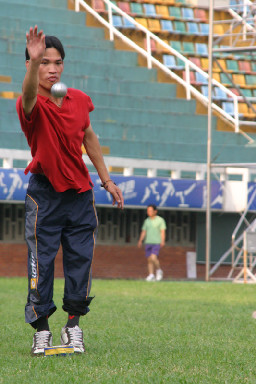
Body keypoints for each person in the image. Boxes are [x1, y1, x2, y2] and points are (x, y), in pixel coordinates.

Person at [16, 26, 124, 356]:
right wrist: (33, 63)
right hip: (44, 195)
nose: (52, 68)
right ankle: (42, 330)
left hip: (79, 195)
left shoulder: (77, 100)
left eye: (57, 62)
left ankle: (73, 326)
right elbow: (30, 95)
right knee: (42, 264)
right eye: (44, 62)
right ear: (32, 64)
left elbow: (89, 138)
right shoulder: (30, 104)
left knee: (80, 263)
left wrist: (106, 180)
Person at [138, 205, 166, 281]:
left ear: (155, 211)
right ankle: (151, 275)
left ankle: (159, 270)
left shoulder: (160, 220)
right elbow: (144, 231)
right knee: (149, 260)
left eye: (150, 211)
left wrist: (163, 241)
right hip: (148, 242)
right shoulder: (147, 221)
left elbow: (162, 231)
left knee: (154, 257)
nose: (148, 212)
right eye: (148, 211)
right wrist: (140, 240)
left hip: (156, 242)